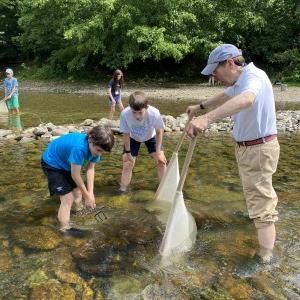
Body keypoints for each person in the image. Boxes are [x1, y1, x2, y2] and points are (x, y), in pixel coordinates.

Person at [186, 44, 280, 263]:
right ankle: (261, 230)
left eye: (215, 71)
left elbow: (247, 98)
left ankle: (265, 257)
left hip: (257, 149)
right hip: (251, 149)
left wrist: (207, 119)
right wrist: (200, 106)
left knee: (262, 205)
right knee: (258, 197)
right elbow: (226, 95)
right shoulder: (242, 79)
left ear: (229, 63)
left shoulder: (253, 77)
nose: (215, 77)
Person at [41, 125, 114, 236]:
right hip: (52, 163)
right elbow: (75, 175)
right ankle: (65, 230)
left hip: (67, 164)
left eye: (102, 152)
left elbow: (90, 169)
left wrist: (90, 193)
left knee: (78, 192)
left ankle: (78, 212)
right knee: (68, 198)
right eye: (98, 150)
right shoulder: (79, 148)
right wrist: (87, 196)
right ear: (90, 139)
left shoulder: (95, 149)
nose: (99, 154)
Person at [119, 91, 167, 193]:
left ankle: (164, 189)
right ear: (130, 107)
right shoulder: (124, 114)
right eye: (134, 112)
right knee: (127, 163)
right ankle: (123, 190)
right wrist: (127, 153)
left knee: (161, 162)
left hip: (151, 136)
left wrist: (158, 153)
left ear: (147, 107)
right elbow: (126, 134)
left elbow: (159, 131)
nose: (137, 116)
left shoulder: (154, 113)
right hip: (133, 137)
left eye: (140, 112)